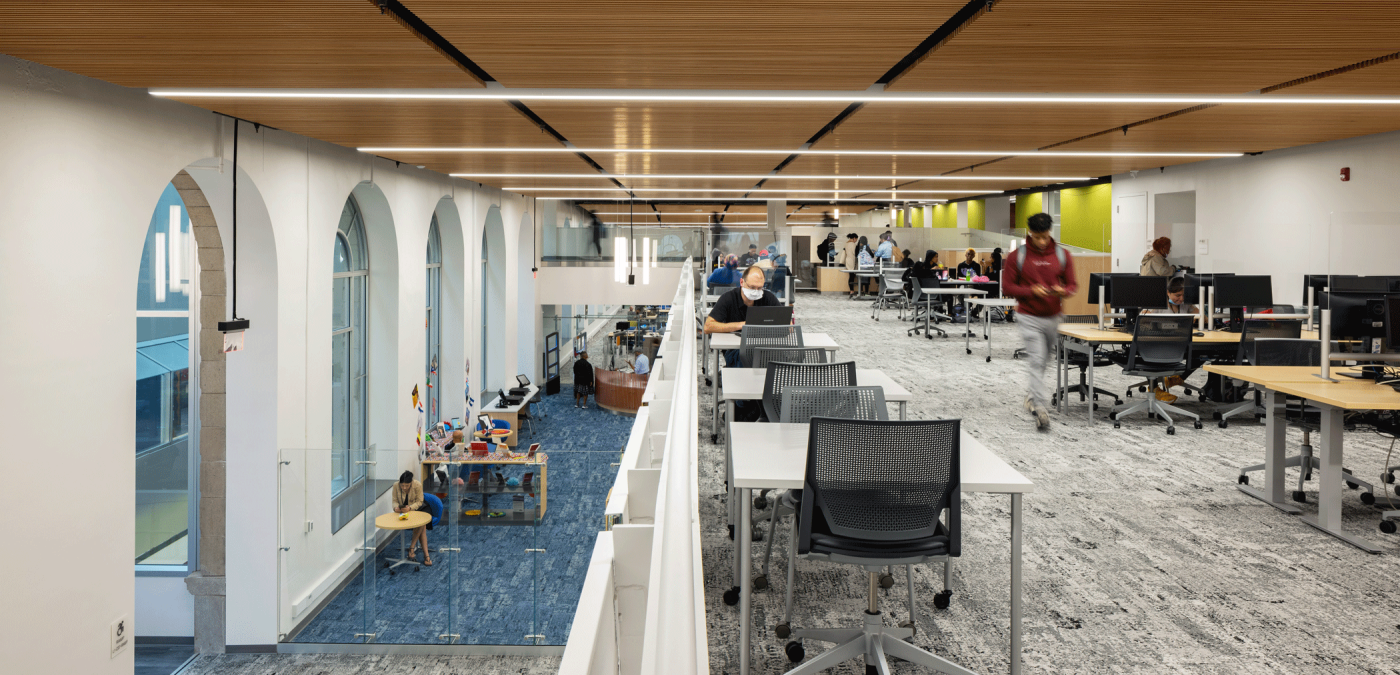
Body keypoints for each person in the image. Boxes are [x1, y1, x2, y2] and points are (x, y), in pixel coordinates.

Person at [1003, 212, 1078, 431]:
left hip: (1053, 316)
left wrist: (1062, 290)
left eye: (1046, 236)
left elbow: (1072, 285)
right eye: (1038, 237)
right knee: (1037, 359)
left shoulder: (1062, 255)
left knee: (1045, 359)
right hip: (1028, 315)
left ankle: (1032, 395)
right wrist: (1031, 291)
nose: (1043, 241)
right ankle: (1039, 406)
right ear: (1030, 234)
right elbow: (1007, 287)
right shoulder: (1017, 256)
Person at [704, 265, 781, 367]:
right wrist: (742, 325)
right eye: (752, 287)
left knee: (779, 358)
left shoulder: (768, 297)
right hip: (736, 349)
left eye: (759, 288)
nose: (756, 291)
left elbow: (788, 326)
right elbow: (708, 327)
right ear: (742, 282)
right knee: (751, 358)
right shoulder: (728, 298)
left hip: (765, 346)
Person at [1144, 277, 1200, 403]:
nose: (1181, 299)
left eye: (1184, 295)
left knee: (1201, 354)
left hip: (1180, 343)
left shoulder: (1186, 304)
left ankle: (1176, 378)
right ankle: (1154, 388)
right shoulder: (1158, 303)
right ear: (1168, 292)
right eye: (1178, 295)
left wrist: (1197, 315)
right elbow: (1143, 318)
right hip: (1160, 343)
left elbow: (1201, 315)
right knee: (1150, 353)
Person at [392, 470, 432, 566]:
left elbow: (419, 501)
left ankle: (412, 548)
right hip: (404, 511)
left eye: (407, 485)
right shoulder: (396, 486)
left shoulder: (417, 485)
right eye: (402, 485)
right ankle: (426, 556)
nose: (404, 487)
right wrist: (396, 508)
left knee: (422, 523)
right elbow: (394, 501)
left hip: (420, 508)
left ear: (411, 483)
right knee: (422, 526)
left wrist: (410, 508)